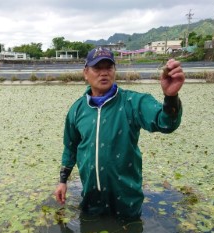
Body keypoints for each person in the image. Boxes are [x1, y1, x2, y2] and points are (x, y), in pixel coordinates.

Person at [54, 47, 185, 220]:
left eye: (108, 67)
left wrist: (171, 97)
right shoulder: (77, 110)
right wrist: (63, 181)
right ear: (86, 73)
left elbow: (165, 122)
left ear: (115, 71)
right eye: (97, 68)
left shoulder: (133, 102)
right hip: (91, 201)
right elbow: (70, 147)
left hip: (127, 202)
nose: (104, 73)